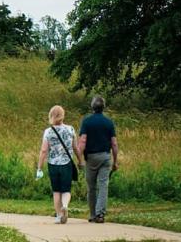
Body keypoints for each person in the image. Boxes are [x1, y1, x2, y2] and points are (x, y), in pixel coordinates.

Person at [36, 105, 81, 224]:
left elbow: (44, 150)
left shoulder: (48, 131)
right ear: (63, 115)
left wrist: (39, 167)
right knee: (66, 189)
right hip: (67, 163)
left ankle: (58, 216)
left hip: (53, 164)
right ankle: (65, 205)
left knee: (56, 191)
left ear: (51, 115)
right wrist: (80, 160)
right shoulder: (70, 129)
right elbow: (75, 147)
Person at [77, 95, 119, 223]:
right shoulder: (109, 122)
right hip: (105, 157)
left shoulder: (87, 121)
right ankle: (100, 214)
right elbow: (114, 143)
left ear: (92, 107)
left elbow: (83, 140)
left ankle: (92, 214)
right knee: (103, 185)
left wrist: (80, 159)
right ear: (103, 107)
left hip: (91, 158)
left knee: (91, 187)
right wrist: (115, 161)